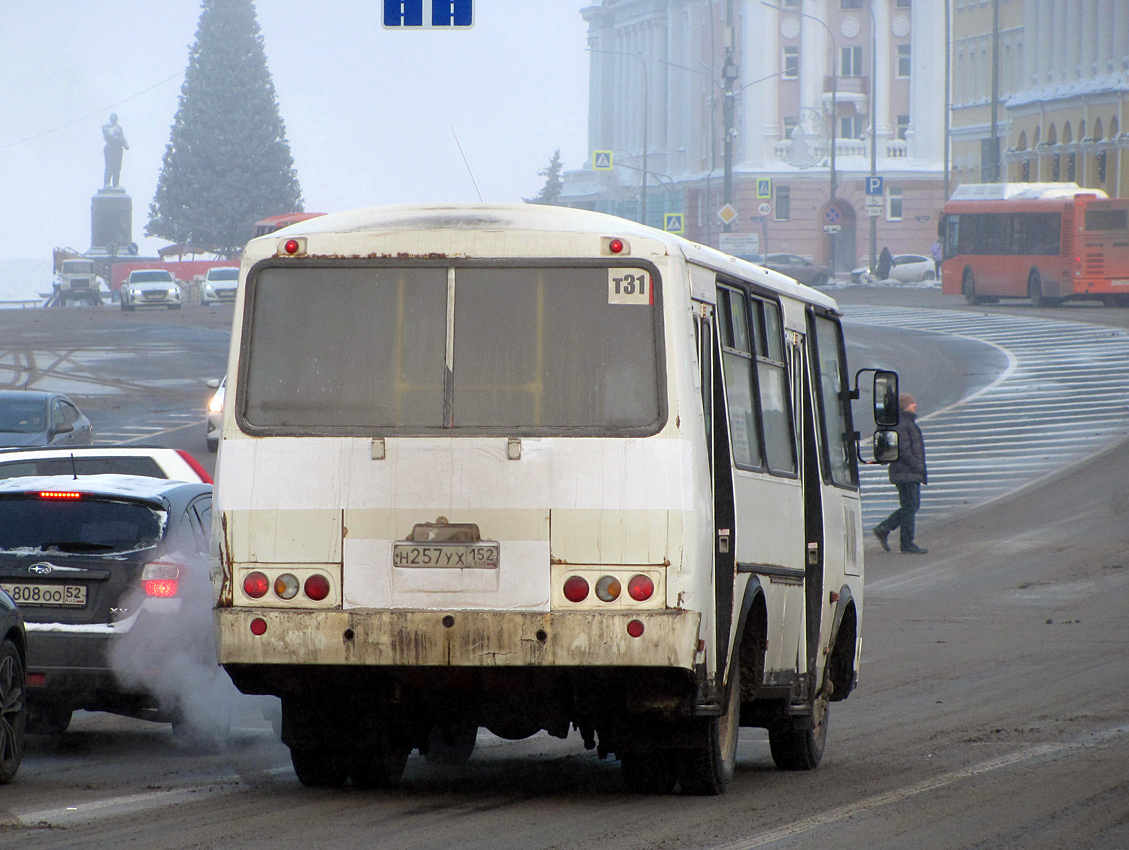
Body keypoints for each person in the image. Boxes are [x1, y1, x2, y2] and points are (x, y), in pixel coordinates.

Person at [873, 392, 928, 554]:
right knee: (910, 506)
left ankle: (890, 532)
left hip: (906, 472)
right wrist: (917, 466)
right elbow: (904, 450)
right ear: (905, 406)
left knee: (910, 506)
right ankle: (902, 540)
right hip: (906, 471)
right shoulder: (903, 424)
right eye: (912, 403)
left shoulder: (905, 422)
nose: (915, 405)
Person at [102, 113, 129, 188]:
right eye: (113, 117)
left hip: (118, 150)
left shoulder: (119, 128)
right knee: (109, 166)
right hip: (110, 149)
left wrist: (125, 143)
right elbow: (108, 137)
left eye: (115, 117)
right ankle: (107, 184)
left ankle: (116, 184)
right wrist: (119, 140)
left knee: (117, 168)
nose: (114, 118)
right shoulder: (105, 126)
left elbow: (123, 137)